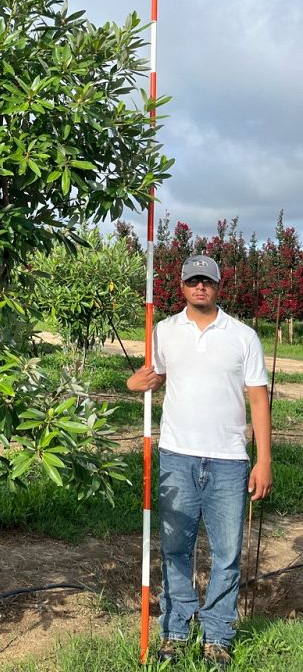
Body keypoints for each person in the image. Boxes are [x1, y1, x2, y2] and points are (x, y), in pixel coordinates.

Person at [127, 255, 272, 667]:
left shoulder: (243, 336)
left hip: (229, 462)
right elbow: (147, 377)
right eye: (193, 280)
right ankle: (174, 630)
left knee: (227, 553)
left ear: (219, 287)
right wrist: (133, 383)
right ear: (182, 286)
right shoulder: (164, 331)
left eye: (207, 280)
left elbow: (259, 400)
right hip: (176, 456)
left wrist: (263, 460)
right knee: (175, 549)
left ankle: (218, 636)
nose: (200, 287)